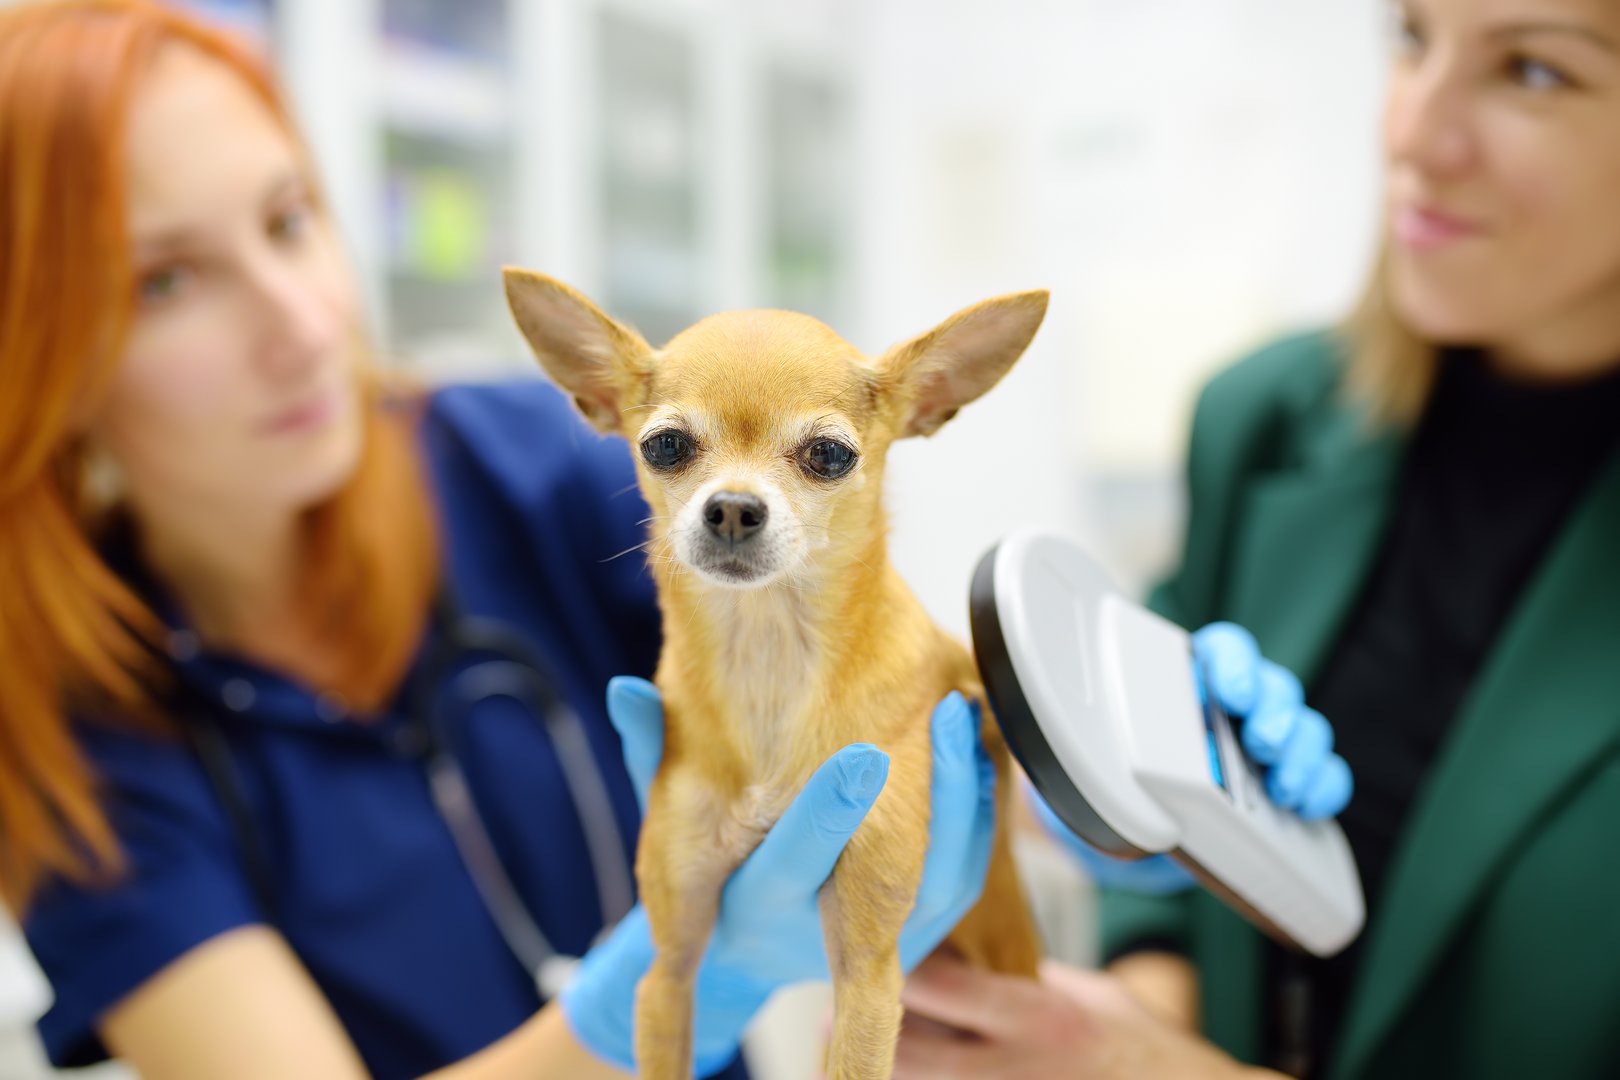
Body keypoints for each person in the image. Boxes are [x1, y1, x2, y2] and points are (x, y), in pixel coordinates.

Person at [0, 2, 1349, 1078]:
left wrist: (1116, 756)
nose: (300, 320)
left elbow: (864, 674)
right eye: (164, 280)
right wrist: (653, 991)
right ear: (33, 356)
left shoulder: (515, 467)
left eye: (290, 217)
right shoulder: (63, 758)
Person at [895, 0, 1620, 1077]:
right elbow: (1164, 888)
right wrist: (1120, 1012)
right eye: (1412, 39)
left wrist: (1150, 1071)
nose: (1412, 132)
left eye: (1534, 72)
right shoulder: (1264, 421)